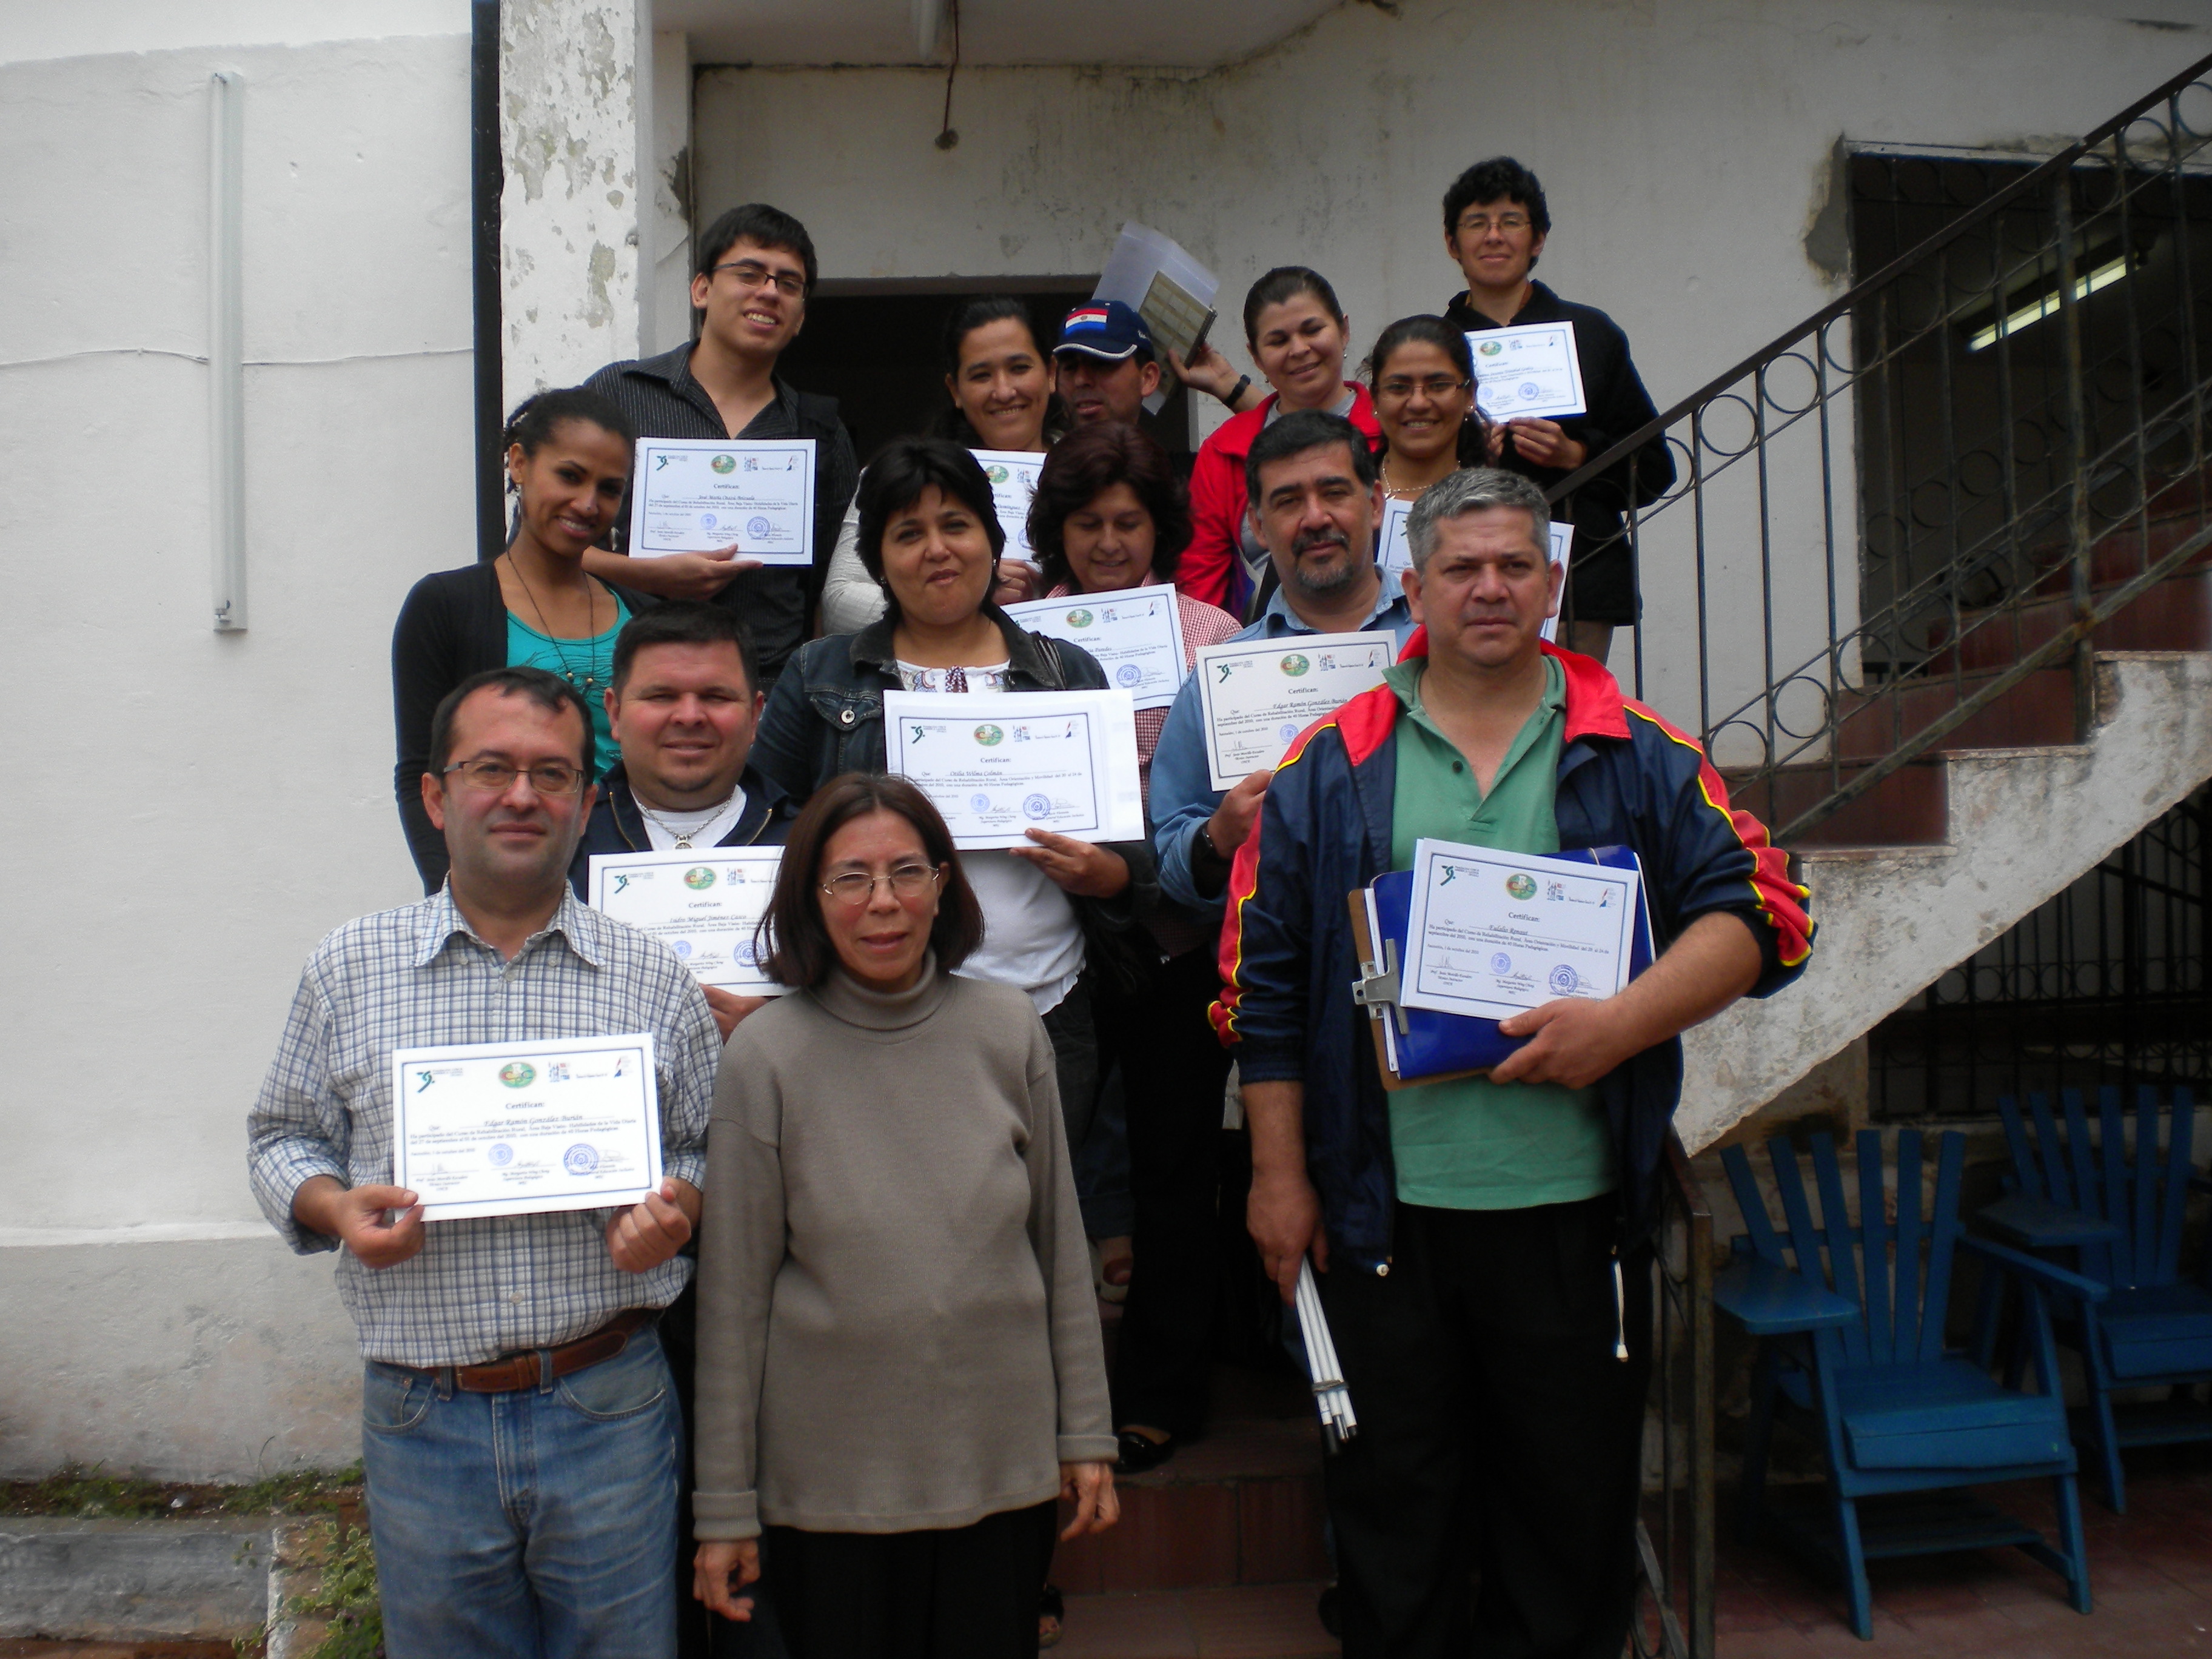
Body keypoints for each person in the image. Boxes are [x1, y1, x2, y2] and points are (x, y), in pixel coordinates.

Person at [1215, 469, 1815, 1658]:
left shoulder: (1638, 753)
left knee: (1568, 1528)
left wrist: (1626, 1020)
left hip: (1573, 1216)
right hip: (1380, 1217)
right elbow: (1264, 986)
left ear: (1550, 582)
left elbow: (1766, 912)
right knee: (1396, 1527)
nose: (1488, 587)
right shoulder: (1327, 766)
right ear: (1412, 585)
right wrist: (1277, 1180)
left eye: (1513, 566)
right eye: (1460, 567)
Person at [249, 666, 722, 1659]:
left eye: (552, 774)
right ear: (435, 793)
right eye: (492, 768)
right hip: (425, 1414)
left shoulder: (651, 973)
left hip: (609, 1404)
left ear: (587, 800)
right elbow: (279, 1138)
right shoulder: (349, 965)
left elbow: (706, 1143)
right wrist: (335, 1210)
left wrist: (677, 1201)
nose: (521, 795)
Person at [751, 438, 1156, 1230]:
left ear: (993, 541)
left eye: (957, 525)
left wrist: (1100, 874)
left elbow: (1133, 865)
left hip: (1047, 1009)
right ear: (877, 558)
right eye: (908, 534)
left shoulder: (1067, 670)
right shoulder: (819, 676)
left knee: (1026, 1233)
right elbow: (771, 835)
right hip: (865, 1016)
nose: (937, 550)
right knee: (879, 1230)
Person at [1025, 423, 1239, 1472]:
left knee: (1174, 1166)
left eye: (1128, 522)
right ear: (1055, 530)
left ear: (1160, 527)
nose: (1109, 542)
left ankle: (1161, 1390)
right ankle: (1039, 1400)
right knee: (1042, 1170)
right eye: (1086, 523)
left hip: (1178, 939)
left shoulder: (1215, 635)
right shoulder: (1016, 637)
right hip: (1054, 942)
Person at [1149, 409, 1417, 931]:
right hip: (1285, 959)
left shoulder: (1443, 642)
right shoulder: (1221, 679)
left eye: (1334, 492)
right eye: (1288, 501)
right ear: (1257, 525)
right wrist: (1218, 837)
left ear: (1376, 503)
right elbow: (1169, 864)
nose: (1315, 518)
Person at [581, 203, 860, 686]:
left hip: (769, 698)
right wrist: (653, 576)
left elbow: (829, 592)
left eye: (788, 283)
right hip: (633, 682)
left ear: (799, 318)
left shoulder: (820, 431)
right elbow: (544, 546)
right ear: (702, 289)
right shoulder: (619, 394)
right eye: (750, 273)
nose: (769, 291)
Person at [393, 389, 652, 893]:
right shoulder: (445, 606)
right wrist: (454, 898)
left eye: (610, 488)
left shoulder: (642, 616)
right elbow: (417, 773)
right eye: (570, 476)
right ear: (518, 464)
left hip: (630, 888)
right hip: (503, 885)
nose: (587, 504)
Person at [1441, 157, 1677, 666]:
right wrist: (1472, 459)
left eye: (1511, 222)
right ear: (1452, 244)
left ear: (1539, 239)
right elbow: (1403, 461)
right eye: (1477, 223)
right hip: (1464, 570)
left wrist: (1577, 453)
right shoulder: (1433, 345)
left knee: (1570, 723)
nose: (1494, 236)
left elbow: (1657, 469)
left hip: (1580, 570)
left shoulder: (1592, 334)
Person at [569, 602, 797, 1042]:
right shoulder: (562, 846)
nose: (689, 716)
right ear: (614, 713)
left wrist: (779, 1033)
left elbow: (857, 1008)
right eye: (661, 696)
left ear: (755, 715)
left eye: (715, 697)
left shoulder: (813, 848)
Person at [819, 296, 1062, 634]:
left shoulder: (1093, 472)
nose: (1004, 391)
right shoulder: (898, 476)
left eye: (1019, 368)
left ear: (1051, 374)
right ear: (955, 390)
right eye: (981, 375)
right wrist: (969, 595)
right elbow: (839, 602)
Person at [1179, 269, 1384, 619]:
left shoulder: (1394, 427)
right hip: (1267, 656)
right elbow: (1201, 587)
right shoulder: (1224, 450)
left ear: (1344, 330)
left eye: (1313, 330)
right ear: (1256, 357)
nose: (1300, 350)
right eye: (1278, 341)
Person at [1367, 317, 1497, 506]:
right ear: (1375, 399)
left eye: (1438, 386)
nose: (1418, 403)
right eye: (1399, 388)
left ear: (1470, 395)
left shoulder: (1503, 504)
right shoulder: (1347, 494)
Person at [1051, 299, 1162, 431]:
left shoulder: (1158, 452)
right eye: (1070, 367)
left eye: (1101, 364)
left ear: (1148, 378)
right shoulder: (1033, 450)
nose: (1080, 380)